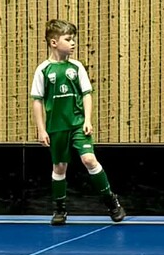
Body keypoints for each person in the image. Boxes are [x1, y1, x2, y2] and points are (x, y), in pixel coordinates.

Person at [30, 19, 126, 225]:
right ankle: (59, 209)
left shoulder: (77, 67)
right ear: (54, 42)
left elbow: (86, 94)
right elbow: (37, 101)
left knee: (89, 159)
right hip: (56, 128)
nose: (73, 43)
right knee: (59, 167)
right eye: (68, 39)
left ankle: (111, 202)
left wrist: (87, 119)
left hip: (77, 124)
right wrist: (41, 129)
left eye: (73, 39)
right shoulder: (43, 70)